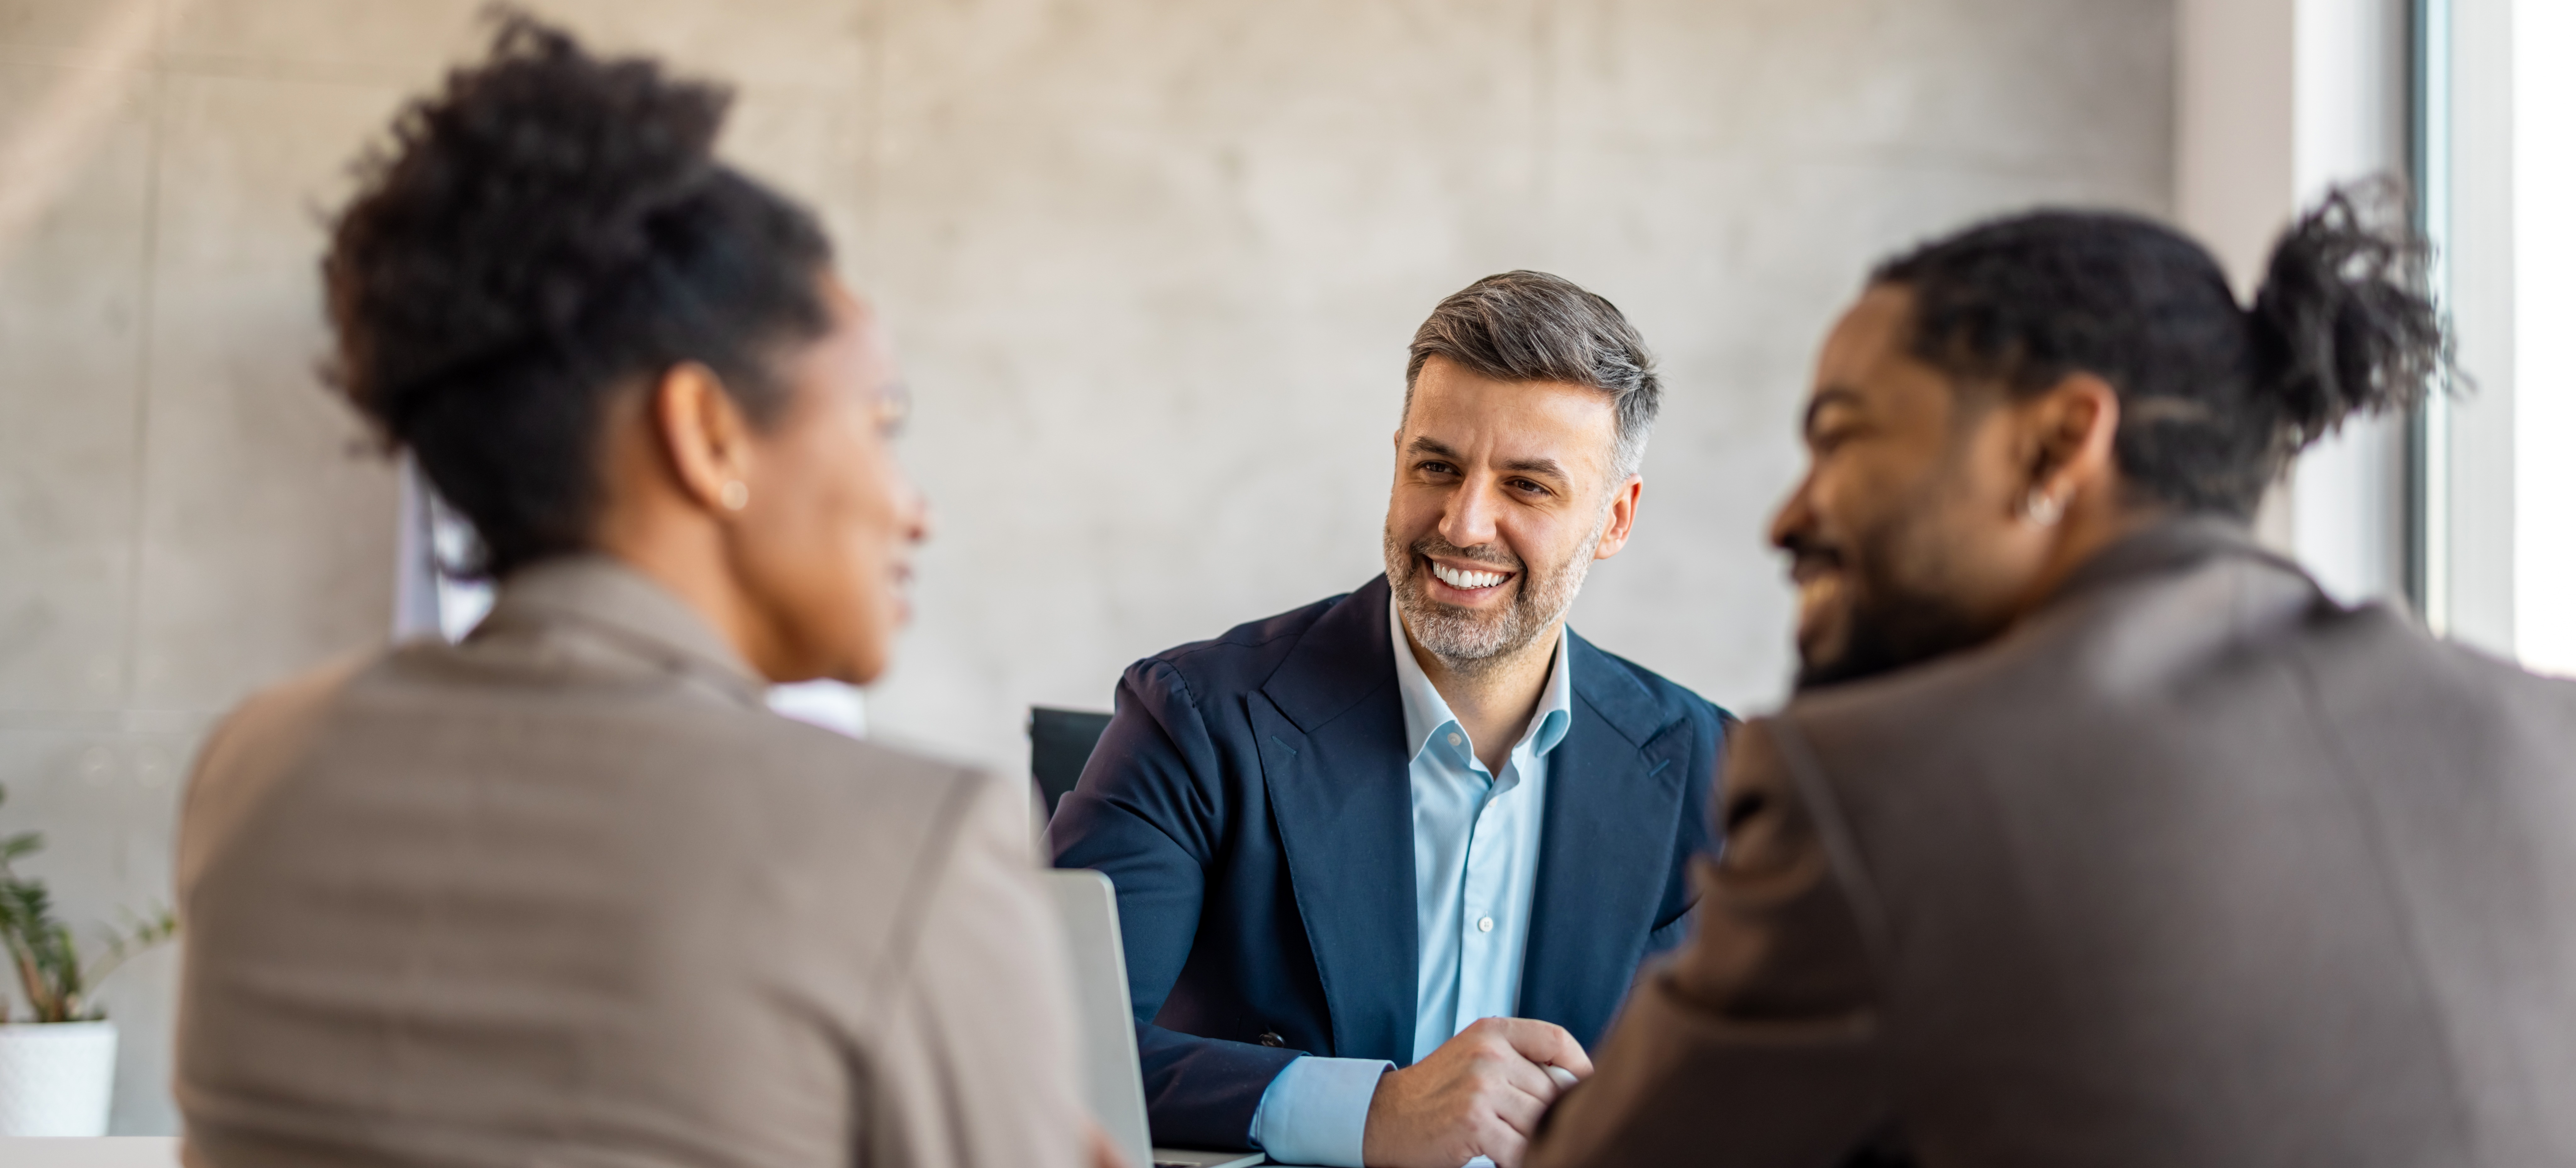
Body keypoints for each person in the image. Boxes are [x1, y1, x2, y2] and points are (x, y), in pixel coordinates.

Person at [172, 19, 1094, 1168]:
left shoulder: (256, 766)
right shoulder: (908, 847)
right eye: (879, 423)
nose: (917, 507)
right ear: (708, 434)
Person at [1527, 186, 2576, 1167]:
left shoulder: (1884, 791)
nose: (1790, 516)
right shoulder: (2545, 734)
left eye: (1841, 437)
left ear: (2060, 444)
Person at [1050, 271, 1732, 1168]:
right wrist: (1371, 1111)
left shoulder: (1721, 771)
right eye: (1437, 466)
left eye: (1527, 486)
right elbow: (1040, 1044)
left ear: (1615, 518)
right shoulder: (1195, 717)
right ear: (1398, 458)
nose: (1464, 522)